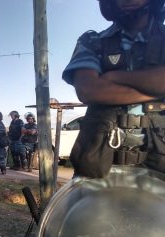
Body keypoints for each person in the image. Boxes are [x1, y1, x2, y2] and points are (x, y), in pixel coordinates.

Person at [63, 0, 165, 178]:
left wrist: (115, 76)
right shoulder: (92, 41)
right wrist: (156, 88)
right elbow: (88, 90)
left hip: (159, 167)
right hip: (99, 166)